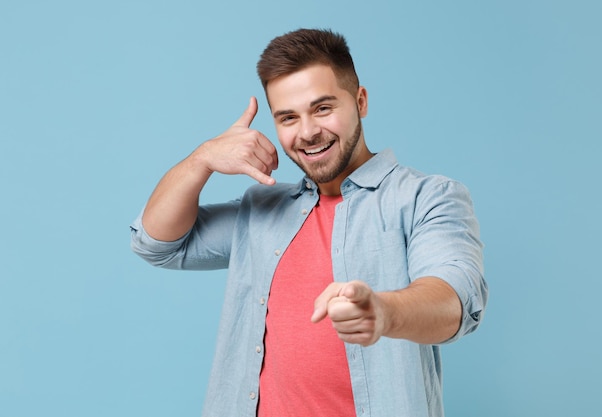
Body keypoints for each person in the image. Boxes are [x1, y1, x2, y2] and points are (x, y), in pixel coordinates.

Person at [130, 28, 488, 417]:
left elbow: (455, 301)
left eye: (322, 108)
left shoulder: (426, 197)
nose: (307, 132)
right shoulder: (261, 208)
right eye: (288, 117)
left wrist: (384, 312)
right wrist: (201, 159)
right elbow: (157, 242)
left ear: (360, 101)